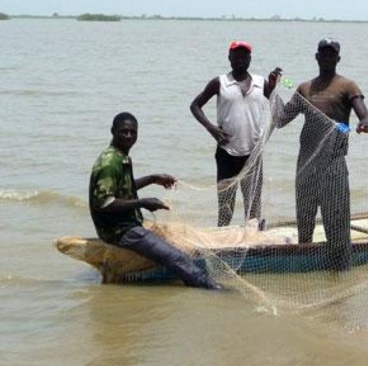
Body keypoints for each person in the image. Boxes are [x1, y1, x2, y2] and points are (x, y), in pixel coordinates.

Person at [89, 112, 220, 289]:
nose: (129, 136)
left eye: (132, 132)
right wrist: (143, 203)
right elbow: (104, 203)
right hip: (119, 230)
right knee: (178, 257)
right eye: (124, 132)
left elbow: (123, 188)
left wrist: (152, 178)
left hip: (126, 224)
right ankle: (212, 289)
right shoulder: (110, 162)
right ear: (113, 131)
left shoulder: (120, 156)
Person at [275, 38, 368, 271]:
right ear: (317, 57)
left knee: (336, 222)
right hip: (306, 163)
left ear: (338, 59)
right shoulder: (303, 88)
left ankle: (340, 271)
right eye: (324, 54)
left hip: (334, 163)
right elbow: (281, 120)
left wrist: (365, 124)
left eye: (332, 54)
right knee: (305, 219)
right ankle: (305, 268)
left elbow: (364, 117)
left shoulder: (348, 86)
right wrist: (272, 91)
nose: (328, 57)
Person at [190, 41, 282, 226]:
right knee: (225, 205)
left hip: (253, 154)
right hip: (226, 153)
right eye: (236, 55)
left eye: (244, 56)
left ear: (249, 59)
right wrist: (211, 128)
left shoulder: (259, 82)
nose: (240, 59)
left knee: (253, 205)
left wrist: (273, 86)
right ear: (229, 58)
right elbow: (195, 106)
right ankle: (223, 239)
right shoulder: (220, 82)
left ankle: (253, 240)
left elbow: (280, 112)